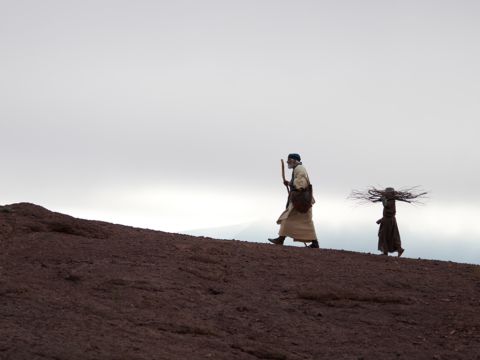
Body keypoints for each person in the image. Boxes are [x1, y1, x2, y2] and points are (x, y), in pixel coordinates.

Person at [268, 153, 318, 248]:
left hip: (300, 199)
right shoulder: (297, 169)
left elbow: (301, 182)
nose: (288, 162)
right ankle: (281, 239)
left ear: (295, 161)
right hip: (301, 199)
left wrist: (294, 186)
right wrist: (289, 183)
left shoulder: (299, 169)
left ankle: (281, 239)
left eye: (290, 160)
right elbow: (297, 181)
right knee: (305, 221)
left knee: (288, 218)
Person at [376, 187, 404, 257]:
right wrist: (381, 219)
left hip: (389, 221)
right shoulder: (390, 200)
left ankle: (390, 251)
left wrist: (383, 200)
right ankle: (389, 251)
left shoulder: (391, 201)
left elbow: (386, 206)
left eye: (386, 193)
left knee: (385, 235)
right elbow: (387, 211)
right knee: (388, 235)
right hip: (387, 220)